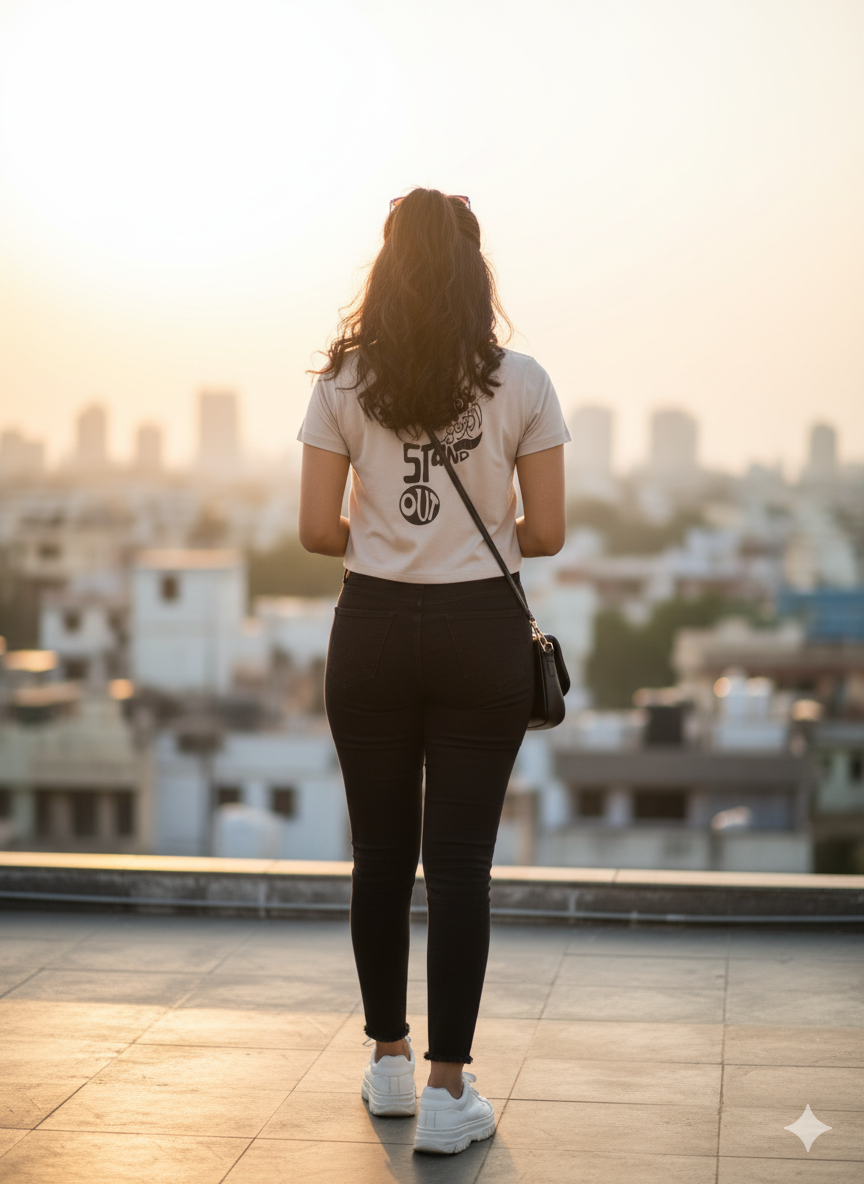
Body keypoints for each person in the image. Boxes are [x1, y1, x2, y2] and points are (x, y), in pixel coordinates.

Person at [298, 187, 569, 1155]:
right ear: (474, 269)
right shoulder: (524, 380)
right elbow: (546, 530)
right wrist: (472, 531)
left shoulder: (343, 379)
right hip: (478, 634)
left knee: (380, 855)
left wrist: (382, 532)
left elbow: (311, 528)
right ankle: (449, 1090)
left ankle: (387, 1061)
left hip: (369, 626)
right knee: (459, 865)